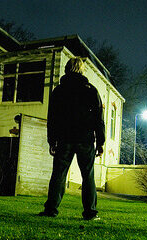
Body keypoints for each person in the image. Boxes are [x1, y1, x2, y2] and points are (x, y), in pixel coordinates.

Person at [39, 58, 105, 220]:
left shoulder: (59, 91)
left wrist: (51, 140)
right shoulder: (91, 90)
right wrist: (100, 142)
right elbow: (98, 119)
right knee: (87, 175)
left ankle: (51, 209)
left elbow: (52, 118)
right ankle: (90, 212)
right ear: (82, 70)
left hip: (64, 138)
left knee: (59, 174)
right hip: (85, 138)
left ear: (67, 69)